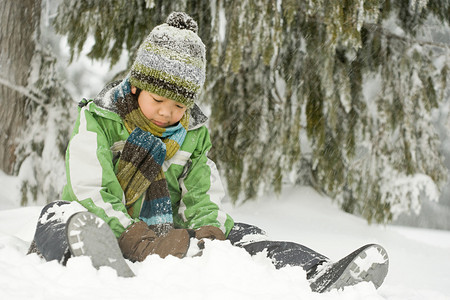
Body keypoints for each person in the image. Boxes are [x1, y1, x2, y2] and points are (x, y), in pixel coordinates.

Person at [27, 12, 389, 293]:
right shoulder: (99, 121)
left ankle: (319, 273)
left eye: (180, 105)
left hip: (172, 235)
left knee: (245, 235)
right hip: (111, 222)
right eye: (159, 100)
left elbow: (201, 191)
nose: (168, 113)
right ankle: (99, 258)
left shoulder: (192, 136)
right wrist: (136, 238)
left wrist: (208, 230)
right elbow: (91, 188)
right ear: (136, 88)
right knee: (60, 215)